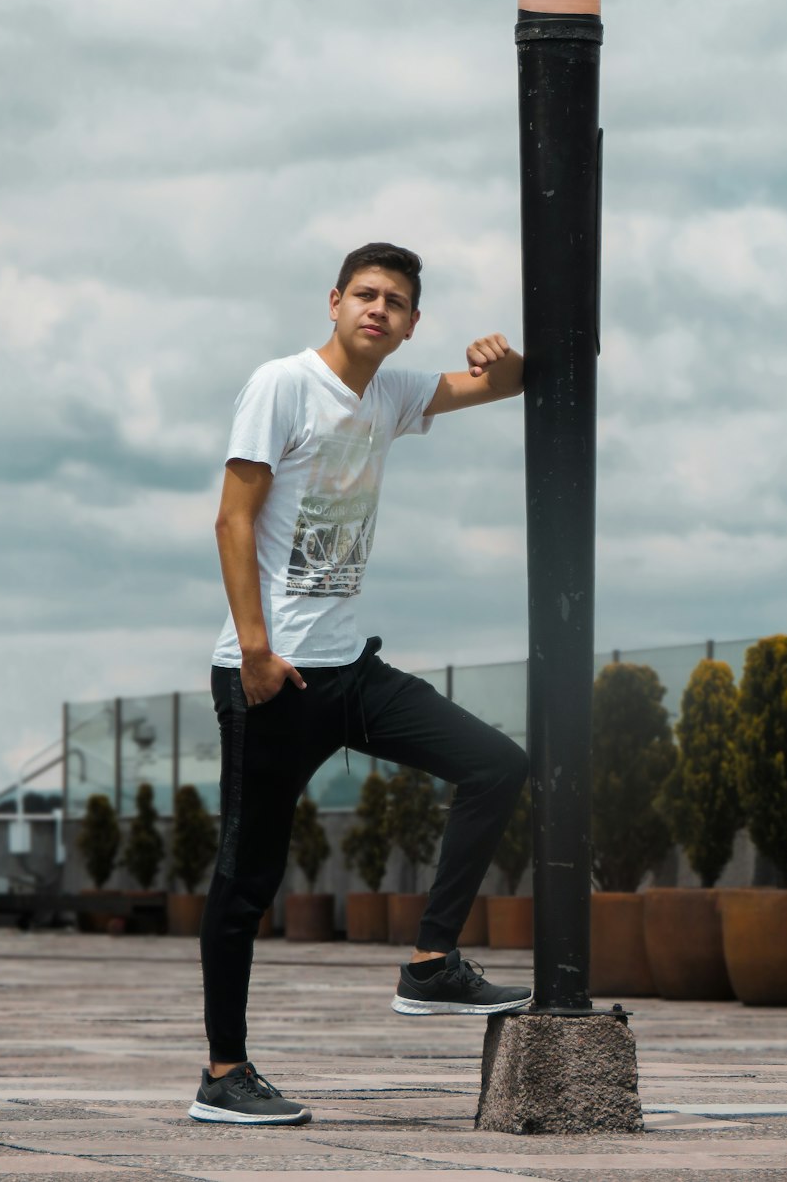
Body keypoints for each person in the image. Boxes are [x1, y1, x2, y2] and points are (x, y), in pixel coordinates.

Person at [189, 242, 531, 1127]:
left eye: (397, 302)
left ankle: (429, 963)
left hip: (351, 672)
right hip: (269, 678)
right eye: (365, 294)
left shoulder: (395, 391)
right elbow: (233, 518)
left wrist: (509, 360)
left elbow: (502, 387)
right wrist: (258, 652)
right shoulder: (282, 385)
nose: (378, 309)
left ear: (412, 323)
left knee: (496, 763)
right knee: (246, 879)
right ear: (334, 301)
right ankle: (224, 1073)